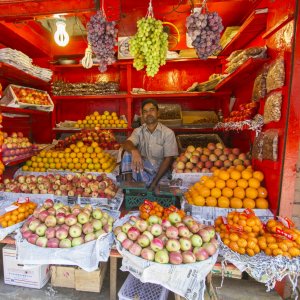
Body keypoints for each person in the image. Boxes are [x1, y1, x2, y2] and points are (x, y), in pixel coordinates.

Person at [121, 99, 178, 189]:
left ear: (158, 113)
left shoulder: (168, 133)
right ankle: (130, 187)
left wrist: (155, 182)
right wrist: (134, 151)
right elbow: (126, 143)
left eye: (152, 110)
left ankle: (152, 185)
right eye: (145, 111)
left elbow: (168, 159)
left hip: (160, 174)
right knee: (127, 153)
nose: (149, 113)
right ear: (142, 115)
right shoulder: (138, 131)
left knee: (162, 190)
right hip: (142, 171)